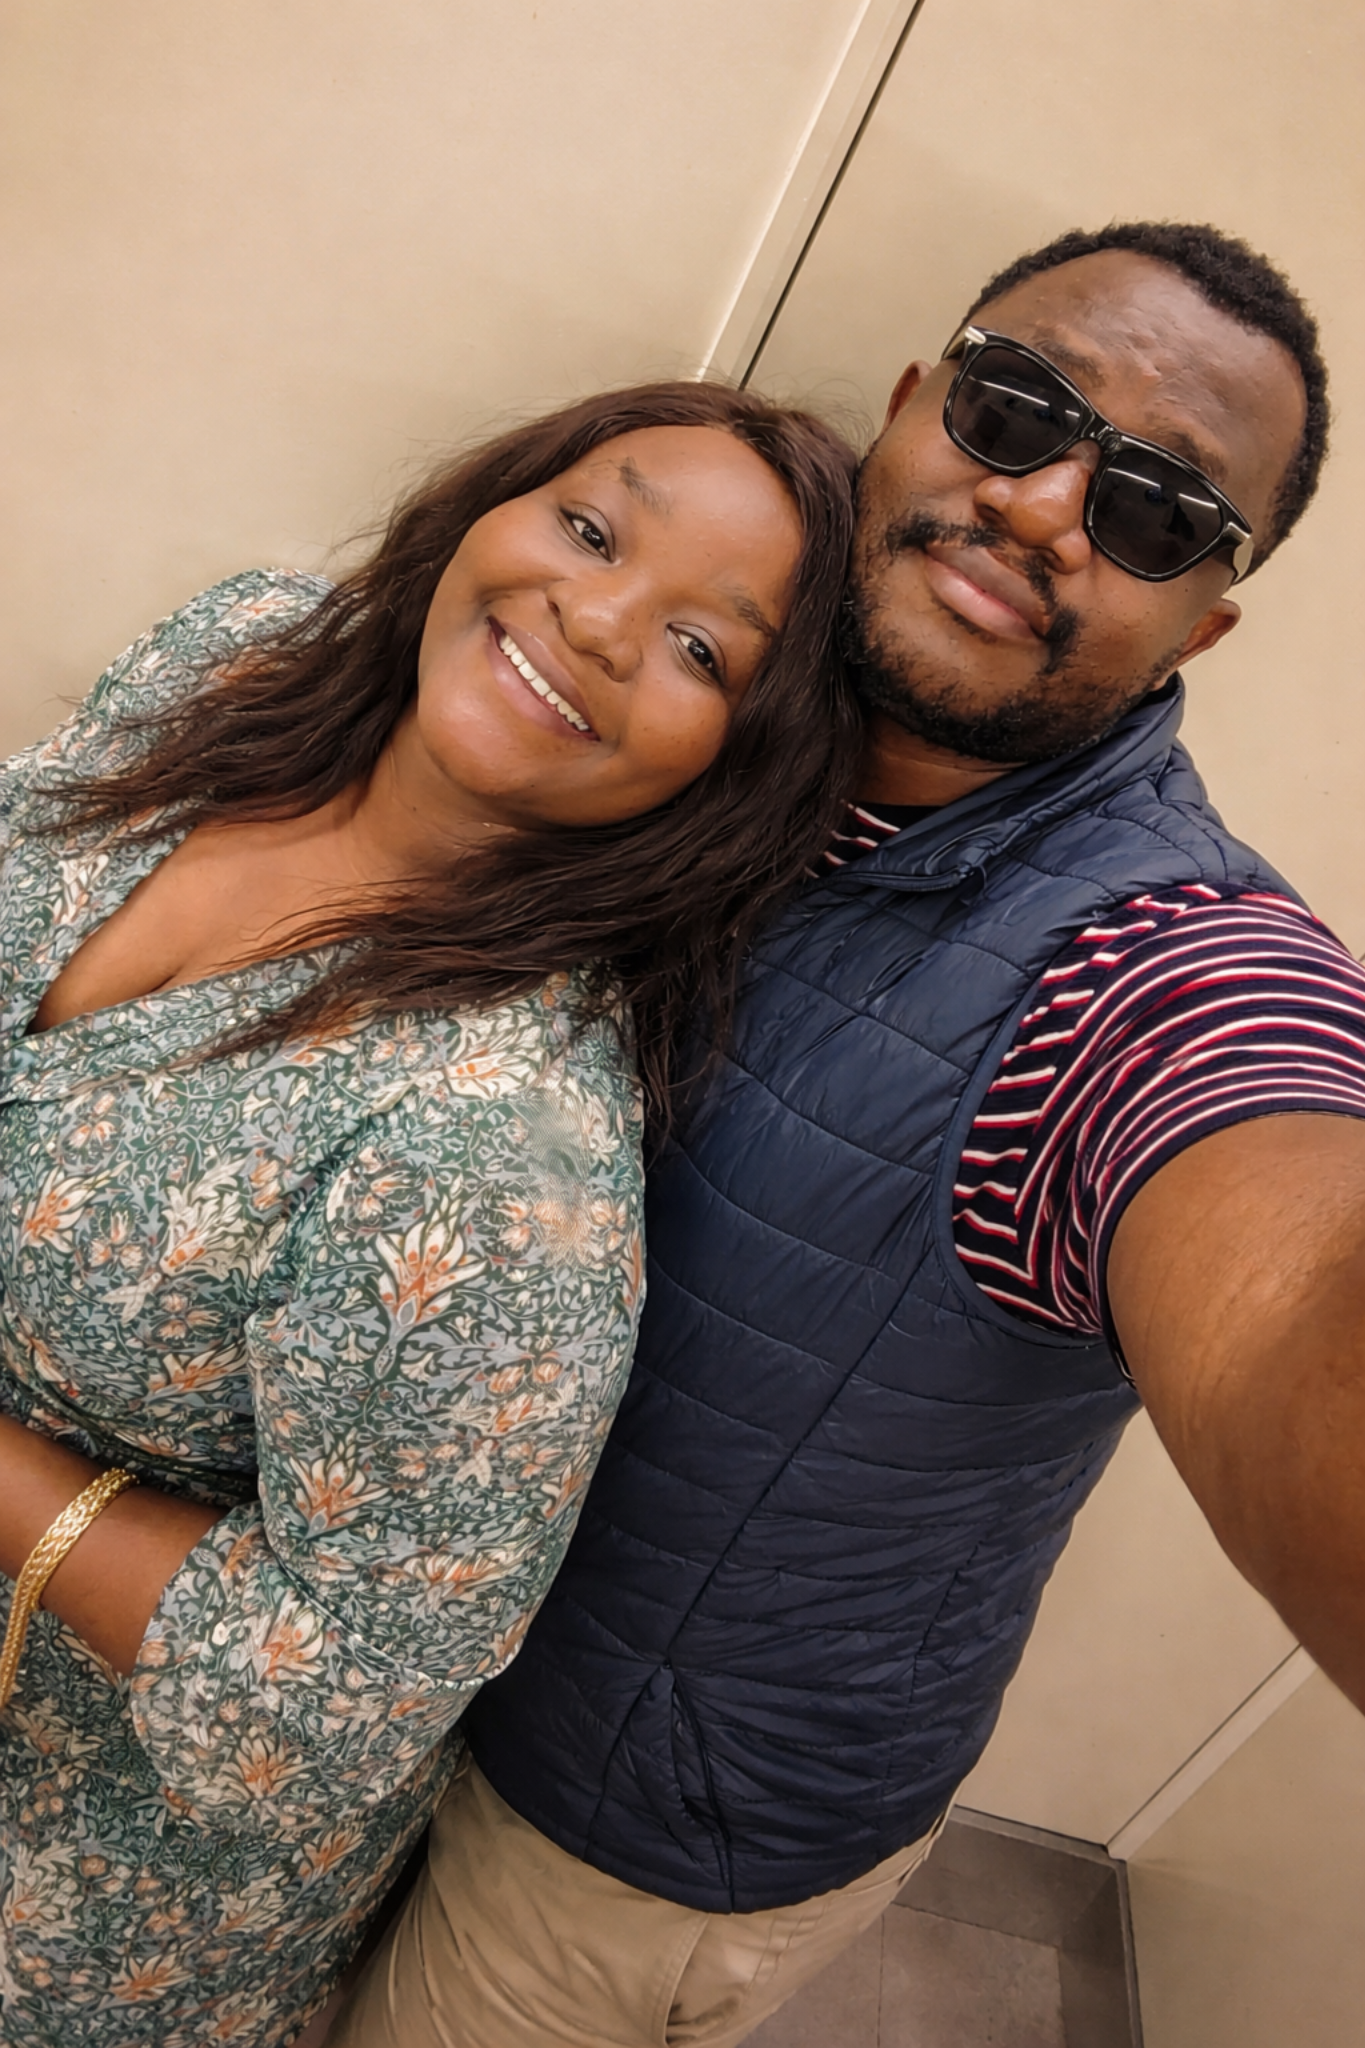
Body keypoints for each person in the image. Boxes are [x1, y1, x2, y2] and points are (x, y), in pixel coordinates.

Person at [329, 223, 1365, 2048]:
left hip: (618, 1840)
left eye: (1151, 511)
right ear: (908, 408)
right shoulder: (688, 700)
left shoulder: (1152, 971)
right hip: (360, 1666)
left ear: (1201, 623)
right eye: (1016, 406)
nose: (1044, 502)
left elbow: (1288, 1262)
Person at [0, 382, 862, 2048]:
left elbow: (337, 1699)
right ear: (492, 503)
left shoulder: (493, 1153)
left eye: (703, 652)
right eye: (592, 528)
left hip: (71, 1885)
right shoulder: (242, 655)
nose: (596, 619)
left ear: (737, 772)